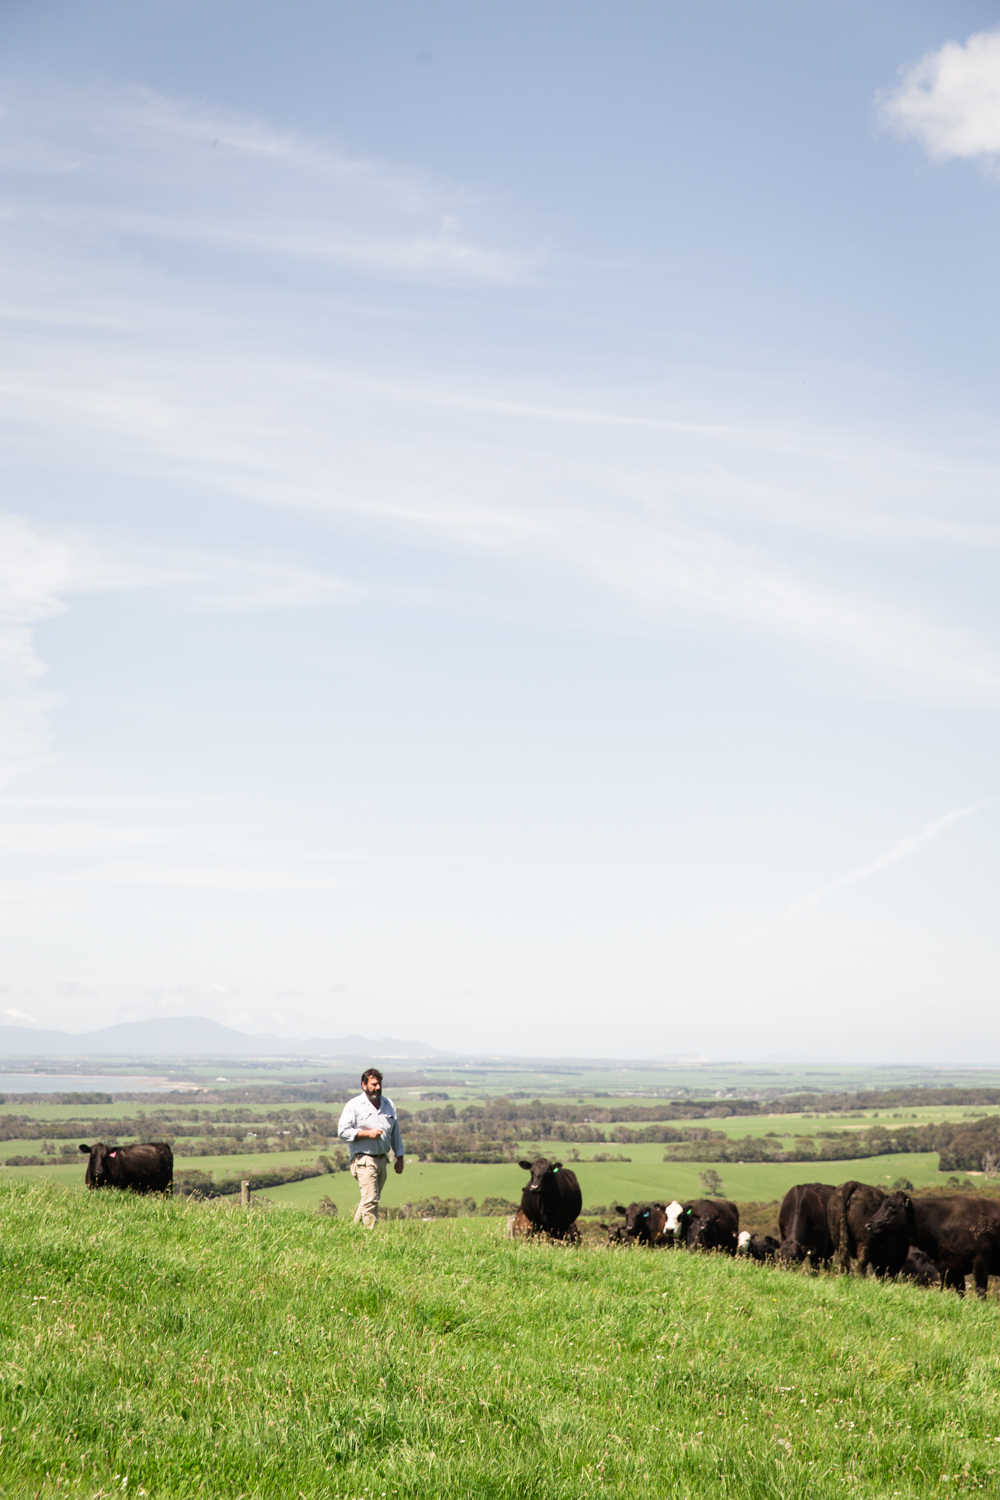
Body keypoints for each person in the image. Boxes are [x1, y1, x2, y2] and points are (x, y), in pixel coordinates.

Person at [337, 1067, 405, 1227]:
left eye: (379, 1084)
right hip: (363, 1159)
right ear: (363, 1085)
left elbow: (395, 1133)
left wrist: (399, 1157)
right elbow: (342, 1131)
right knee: (371, 1200)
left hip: (382, 1160)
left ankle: (351, 1230)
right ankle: (370, 1236)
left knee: (369, 1199)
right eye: (374, 1084)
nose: (378, 1087)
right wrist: (366, 1134)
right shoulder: (354, 1105)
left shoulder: (389, 1104)